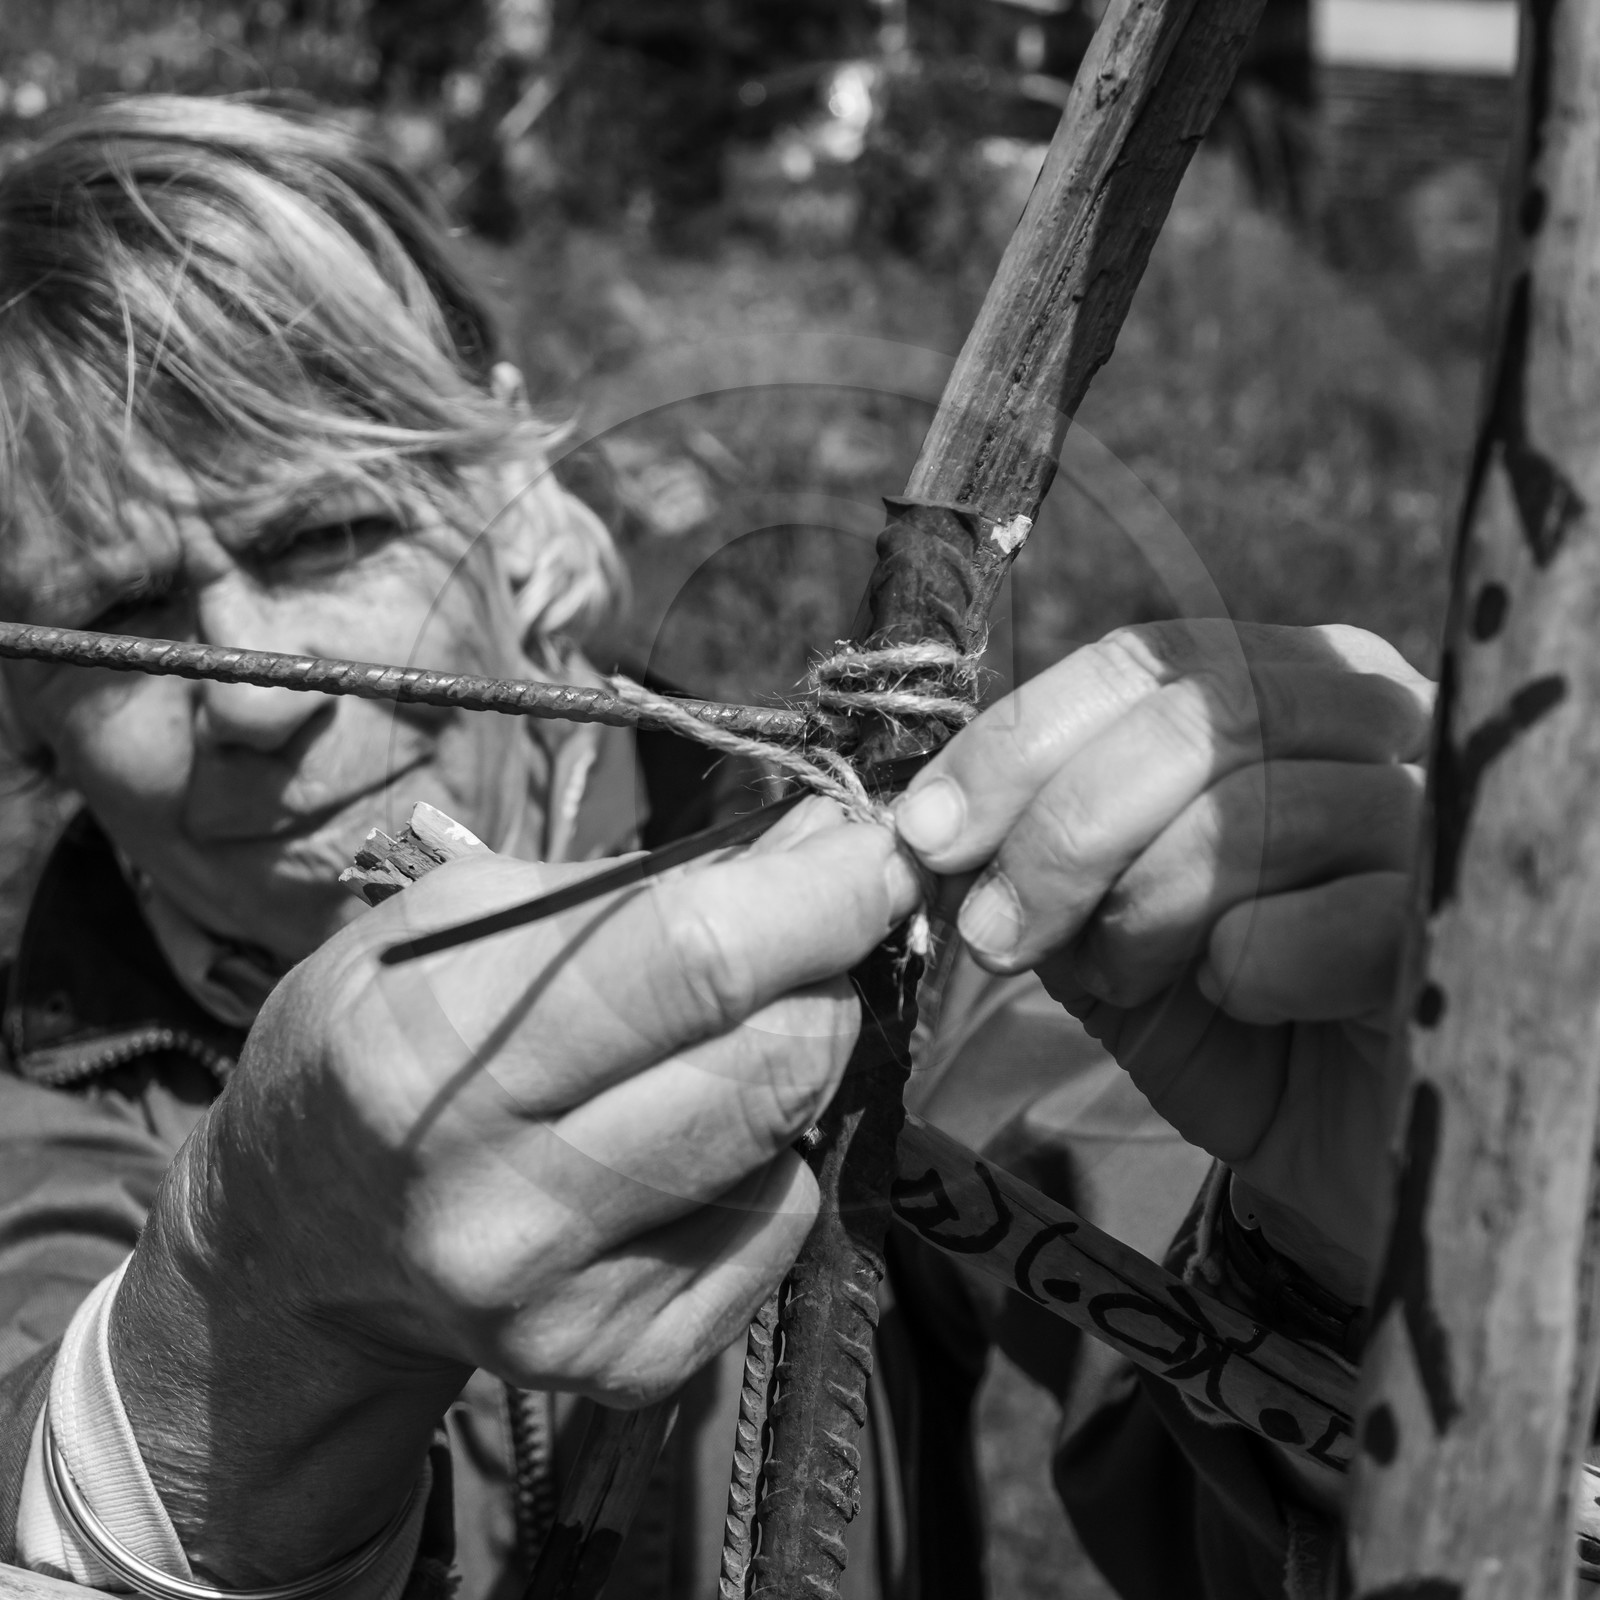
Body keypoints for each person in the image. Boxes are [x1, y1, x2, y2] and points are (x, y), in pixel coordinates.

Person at [0, 93, 1432, 1600]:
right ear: (24, 703)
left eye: (322, 534)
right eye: (117, 617)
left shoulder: (858, 908)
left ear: (507, 489)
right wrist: (241, 1313)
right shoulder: (39, 1106)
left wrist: (1347, 1257)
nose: (245, 698)